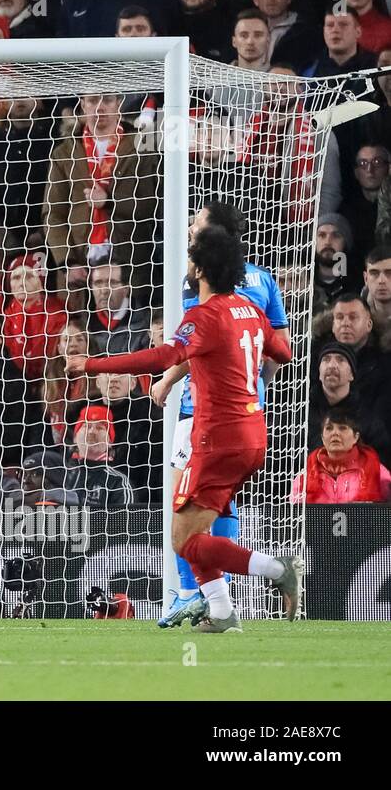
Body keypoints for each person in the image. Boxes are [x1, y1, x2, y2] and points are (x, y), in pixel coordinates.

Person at [67, 225, 300, 632]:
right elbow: (282, 351)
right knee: (188, 524)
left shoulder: (204, 316)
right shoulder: (251, 311)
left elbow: (161, 356)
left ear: (203, 268)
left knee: (183, 540)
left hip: (218, 437)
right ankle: (222, 613)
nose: (187, 264)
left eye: (192, 258)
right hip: (252, 430)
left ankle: (274, 568)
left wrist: (91, 364)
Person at [149, 202, 291, 626]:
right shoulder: (264, 280)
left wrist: (168, 380)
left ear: (214, 233)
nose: (190, 228)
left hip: (202, 411)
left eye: (197, 223)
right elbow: (280, 348)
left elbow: (200, 342)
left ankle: (193, 594)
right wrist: (252, 379)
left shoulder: (199, 277)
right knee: (222, 504)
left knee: (184, 510)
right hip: (249, 411)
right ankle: (221, 604)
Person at [292, 408, 391, 504]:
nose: (335, 433)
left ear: (355, 437)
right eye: (329, 428)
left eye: (342, 428)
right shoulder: (304, 478)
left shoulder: (378, 473)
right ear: (322, 438)